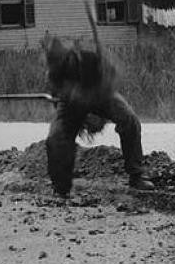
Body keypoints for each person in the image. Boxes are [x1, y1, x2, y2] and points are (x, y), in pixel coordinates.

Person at [44, 34, 155, 198]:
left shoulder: (91, 58)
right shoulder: (53, 74)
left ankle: (137, 175)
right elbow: (56, 99)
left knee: (129, 120)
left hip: (100, 95)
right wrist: (81, 121)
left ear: (70, 56)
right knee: (56, 139)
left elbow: (111, 79)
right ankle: (61, 188)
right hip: (71, 105)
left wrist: (96, 111)